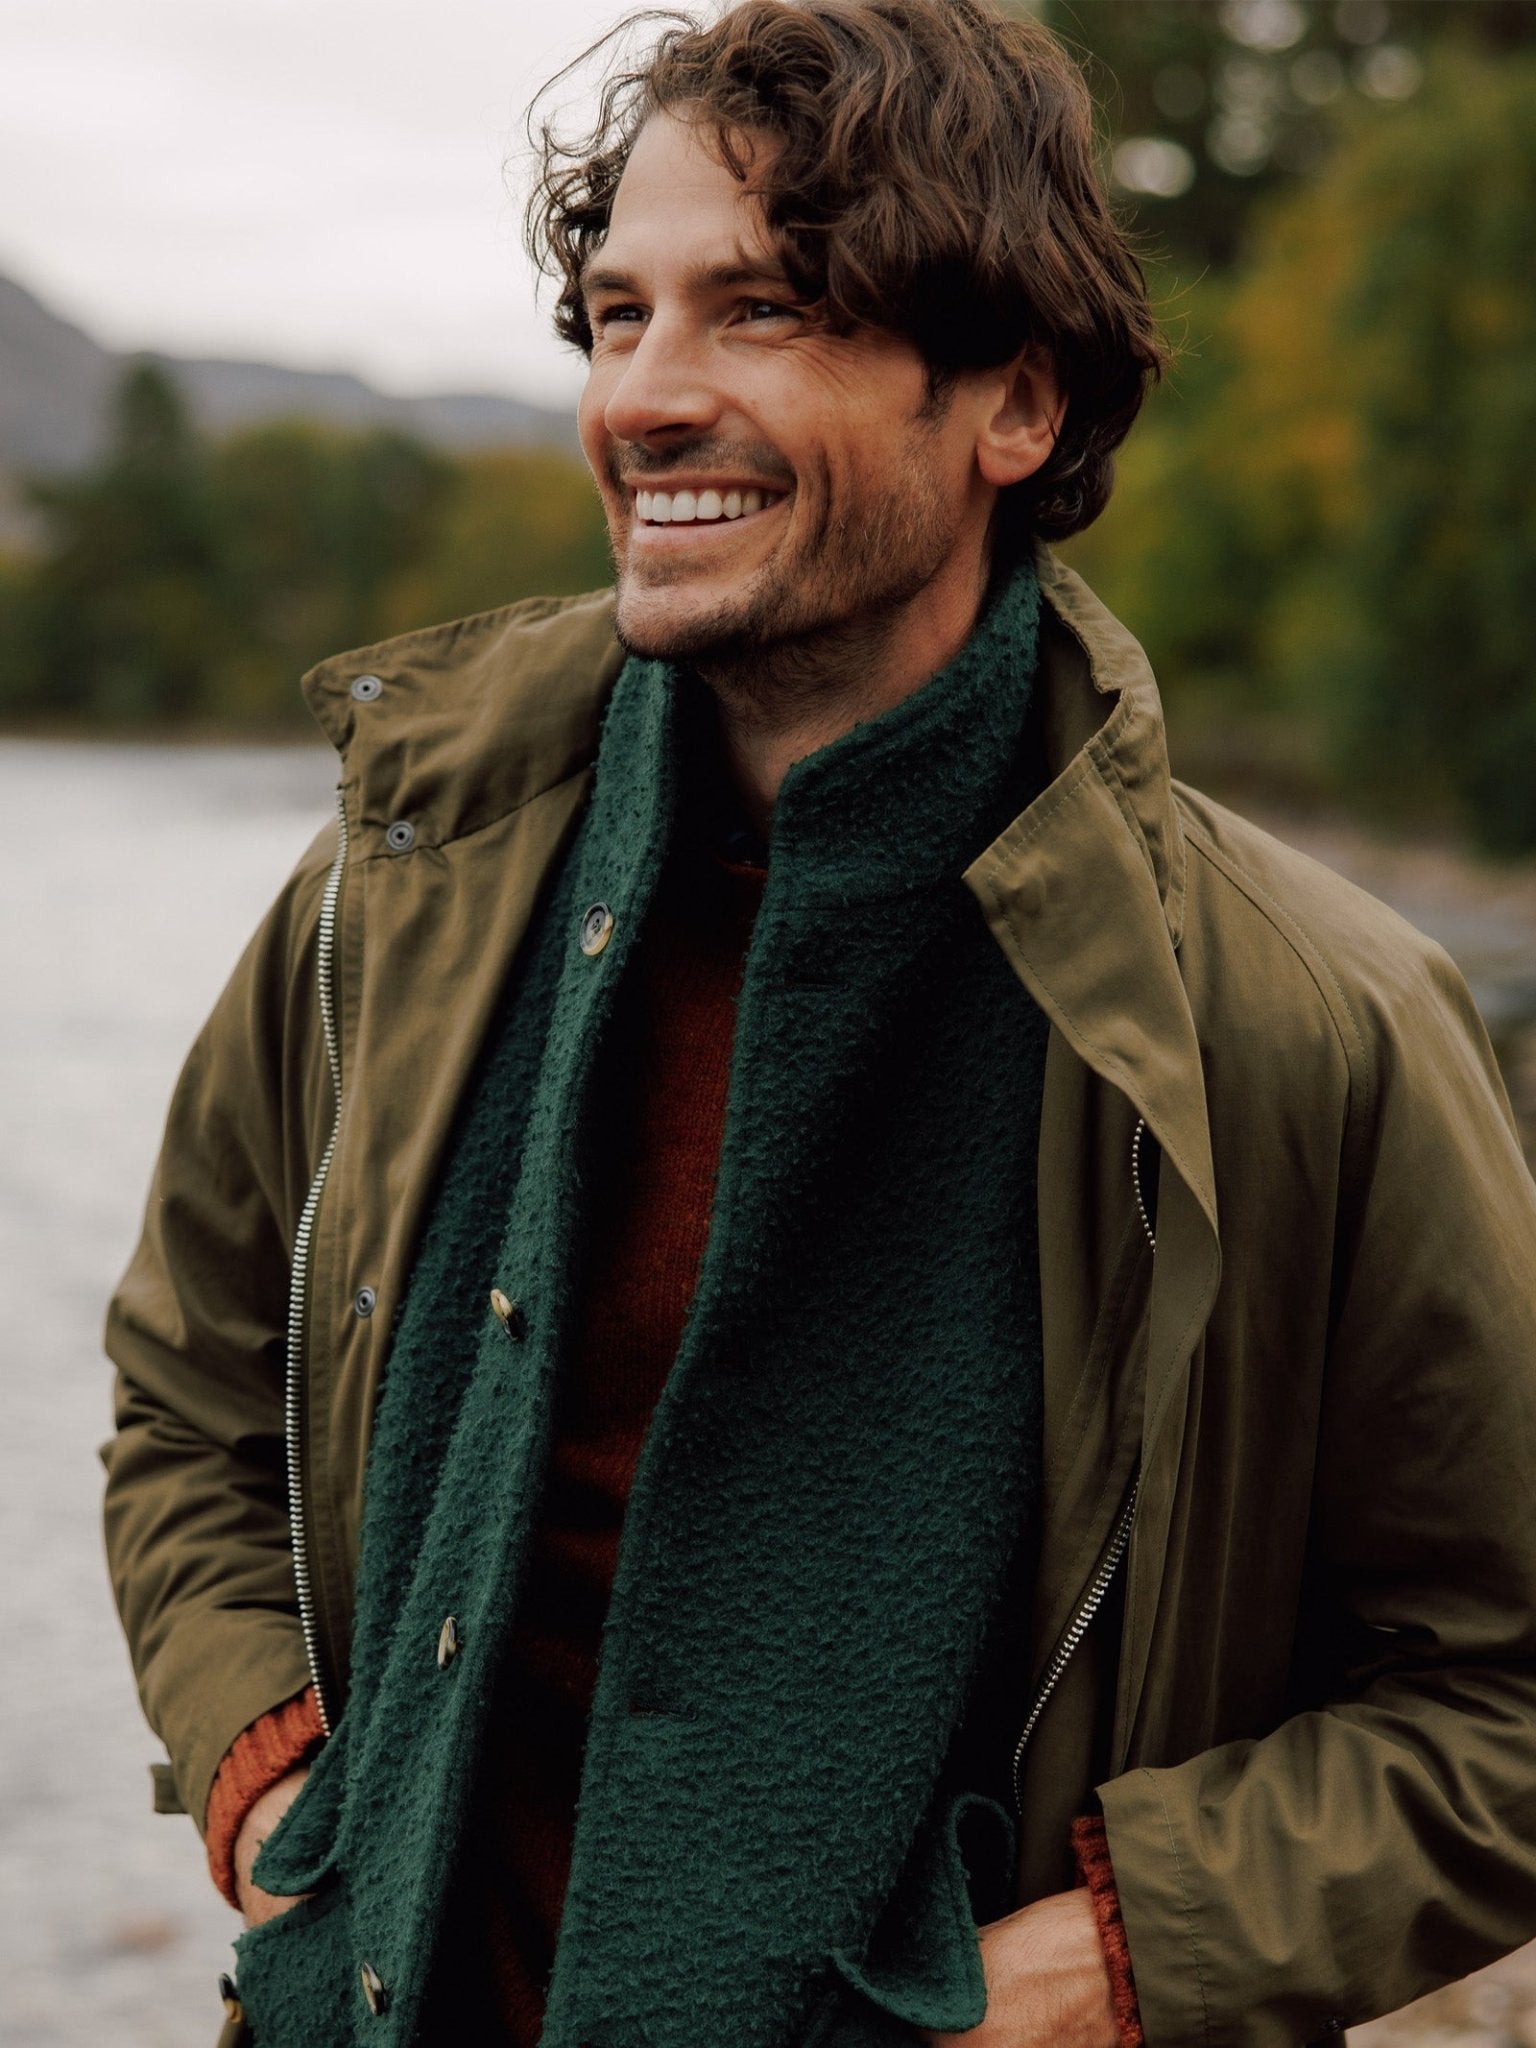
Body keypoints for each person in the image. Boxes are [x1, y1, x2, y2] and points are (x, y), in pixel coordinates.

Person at [102, 2, 1536, 2045]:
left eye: (759, 308)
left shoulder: (1307, 1022)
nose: (646, 398)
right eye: (615, 316)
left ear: (1013, 406)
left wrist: (1097, 1968)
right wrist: (264, 1781)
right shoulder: (386, 894)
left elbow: (1504, 1695)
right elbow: (186, 1405)